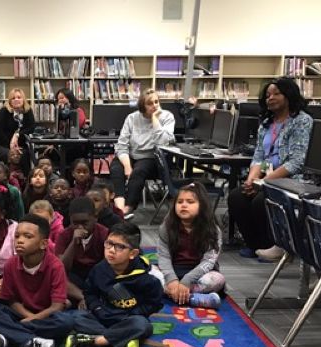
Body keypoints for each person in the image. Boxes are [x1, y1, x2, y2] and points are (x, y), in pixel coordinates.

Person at [227, 77, 312, 261]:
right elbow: (259, 156)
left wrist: (264, 182)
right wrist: (251, 180)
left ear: (289, 96)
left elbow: (297, 161)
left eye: (276, 94)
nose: (270, 98)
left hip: (291, 180)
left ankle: (275, 246)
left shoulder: (302, 121)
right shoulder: (266, 123)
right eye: (267, 95)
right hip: (265, 177)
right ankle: (254, 244)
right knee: (237, 196)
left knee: (261, 200)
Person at [0, 215, 74, 347]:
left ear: (43, 244)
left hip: (45, 315)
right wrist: (28, 317)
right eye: (17, 236)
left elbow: (57, 306)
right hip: (20, 313)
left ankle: (11, 335)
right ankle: (31, 340)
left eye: (28, 236)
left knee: (67, 322)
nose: (20, 240)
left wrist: (34, 318)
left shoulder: (55, 266)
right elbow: (10, 300)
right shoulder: (11, 264)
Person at [64, 222, 163, 347]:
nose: (111, 250)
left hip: (128, 318)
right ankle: (124, 339)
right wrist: (97, 308)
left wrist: (134, 313)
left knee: (143, 325)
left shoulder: (147, 278)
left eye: (120, 247)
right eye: (109, 243)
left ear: (133, 253)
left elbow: (154, 303)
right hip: (102, 316)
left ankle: (95, 341)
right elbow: (89, 292)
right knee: (74, 317)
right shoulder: (99, 269)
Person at [110, 88, 176, 219]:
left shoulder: (167, 117)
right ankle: (120, 208)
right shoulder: (132, 118)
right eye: (150, 103)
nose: (155, 106)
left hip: (151, 158)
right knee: (116, 168)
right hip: (131, 155)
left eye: (156, 102)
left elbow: (163, 142)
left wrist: (155, 119)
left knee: (139, 171)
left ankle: (128, 208)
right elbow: (122, 144)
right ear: (142, 106)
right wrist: (127, 167)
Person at [157, 183, 226, 306]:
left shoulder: (213, 230)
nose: (183, 205)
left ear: (202, 206)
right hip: (173, 271)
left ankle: (175, 293)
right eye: (180, 202)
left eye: (190, 202)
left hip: (199, 275)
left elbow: (208, 261)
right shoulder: (166, 227)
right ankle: (192, 298)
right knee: (147, 274)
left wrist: (187, 281)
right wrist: (172, 280)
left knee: (217, 280)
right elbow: (163, 257)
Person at [55, 197, 109, 305]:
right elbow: (61, 267)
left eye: (84, 223)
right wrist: (73, 243)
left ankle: (87, 299)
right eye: (75, 223)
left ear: (95, 218)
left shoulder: (104, 233)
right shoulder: (64, 235)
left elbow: (108, 266)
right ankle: (84, 298)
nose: (79, 227)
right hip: (74, 277)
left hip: (97, 274)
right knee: (57, 277)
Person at [0, 88, 36, 172]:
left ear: (23, 99)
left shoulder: (28, 111)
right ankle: (7, 179)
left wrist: (17, 135)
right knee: (12, 155)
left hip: (20, 145)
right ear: (10, 101)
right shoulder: (4, 111)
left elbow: (31, 128)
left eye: (19, 97)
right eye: (13, 98)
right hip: (0, 144)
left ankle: (25, 181)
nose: (16, 99)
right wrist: (11, 146)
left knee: (25, 155)